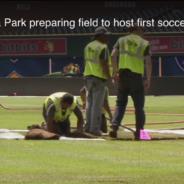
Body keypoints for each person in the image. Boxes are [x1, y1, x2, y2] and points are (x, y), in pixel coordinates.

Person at [110, 23, 152, 140]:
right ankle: (140, 133)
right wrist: (148, 78)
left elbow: (113, 56)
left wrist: (115, 73)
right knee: (139, 107)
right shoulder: (144, 43)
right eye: (143, 28)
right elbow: (148, 62)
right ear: (137, 29)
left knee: (120, 104)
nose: (144, 31)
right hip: (136, 77)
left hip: (122, 76)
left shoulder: (121, 40)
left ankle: (114, 127)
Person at [83, 26, 114, 136]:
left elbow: (85, 62)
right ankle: (95, 129)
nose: (107, 37)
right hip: (98, 78)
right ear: (100, 35)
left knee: (89, 104)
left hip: (88, 78)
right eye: (106, 35)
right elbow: (104, 63)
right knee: (97, 105)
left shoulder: (88, 46)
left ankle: (87, 127)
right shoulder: (102, 47)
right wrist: (110, 79)